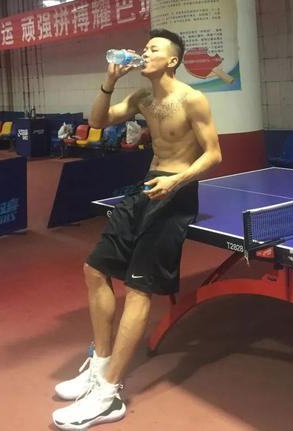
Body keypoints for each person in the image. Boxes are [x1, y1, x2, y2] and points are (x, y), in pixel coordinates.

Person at [52, 29, 222, 430]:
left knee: (139, 288)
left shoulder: (192, 99)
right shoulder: (143, 98)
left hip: (176, 194)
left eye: (153, 49)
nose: (145, 53)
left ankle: (108, 394)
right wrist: (109, 81)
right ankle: (100, 365)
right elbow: (97, 121)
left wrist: (176, 181)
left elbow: (214, 154)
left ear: (172, 60)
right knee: (95, 269)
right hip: (145, 188)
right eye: (144, 48)